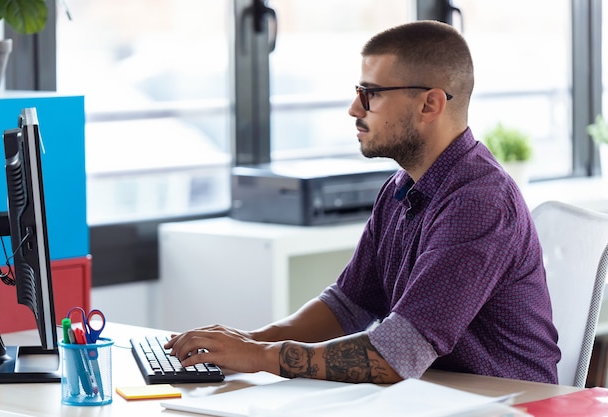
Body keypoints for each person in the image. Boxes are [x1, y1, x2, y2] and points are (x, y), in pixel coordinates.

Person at [165, 20, 561, 384]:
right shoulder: (400, 189)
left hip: (507, 405)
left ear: (430, 104)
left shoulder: (479, 202)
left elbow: (394, 356)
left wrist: (260, 356)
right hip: (439, 398)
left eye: (370, 94)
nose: (355, 109)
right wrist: (248, 341)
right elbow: (348, 306)